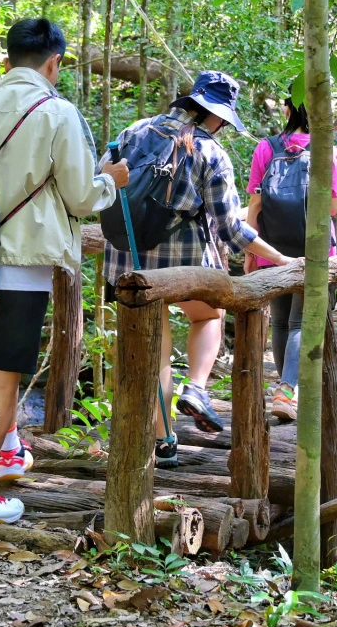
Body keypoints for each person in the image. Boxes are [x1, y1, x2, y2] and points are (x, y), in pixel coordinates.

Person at [0, 18, 130, 531]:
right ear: (54, 62)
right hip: (21, 267)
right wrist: (112, 181)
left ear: (8, 59)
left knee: (2, 366)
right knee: (3, 380)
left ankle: (11, 451)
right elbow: (82, 196)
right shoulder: (56, 112)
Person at [103, 71, 293, 467]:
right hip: (184, 268)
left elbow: (98, 184)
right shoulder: (210, 152)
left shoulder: (132, 132)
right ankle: (197, 388)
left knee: (157, 353)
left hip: (127, 264)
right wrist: (282, 260)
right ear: (218, 117)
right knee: (210, 316)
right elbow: (230, 230)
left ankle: (165, 441)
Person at [244, 96, 337, 421]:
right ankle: (288, 389)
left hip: (273, 249)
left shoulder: (266, 147)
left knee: (281, 321)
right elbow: (334, 207)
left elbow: (255, 205)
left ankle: (285, 388)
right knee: (301, 322)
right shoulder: (324, 149)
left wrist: (251, 250)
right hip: (314, 250)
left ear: (287, 110)